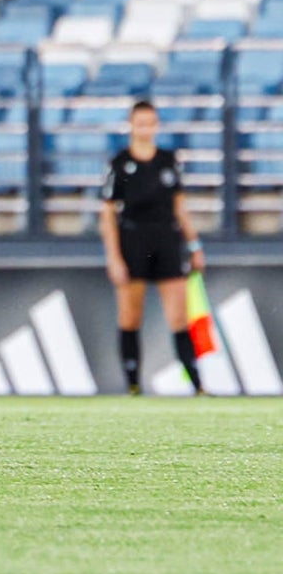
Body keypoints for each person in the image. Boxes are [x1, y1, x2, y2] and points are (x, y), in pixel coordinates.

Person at [99, 100, 206, 396]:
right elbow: (107, 214)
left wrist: (194, 244)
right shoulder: (120, 164)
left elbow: (180, 208)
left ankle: (197, 384)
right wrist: (113, 256)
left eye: (151, 123)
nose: (146, 129)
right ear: (131, 125)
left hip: (166, 240)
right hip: (133, 240)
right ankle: (132, 384)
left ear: (157, 125)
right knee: (130, 317)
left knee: (179, 317)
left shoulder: (168, 161)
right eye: (140, 123)